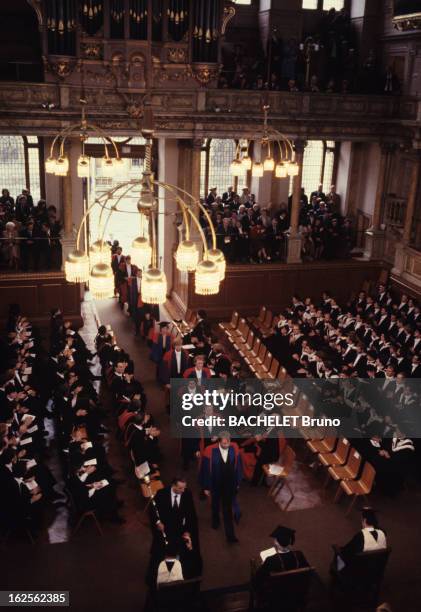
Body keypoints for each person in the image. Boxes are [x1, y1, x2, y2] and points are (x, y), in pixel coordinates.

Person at [199, 431, 243, 543]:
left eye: (228, 443)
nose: (226, 446)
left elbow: (238, 466)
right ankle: (215, 521)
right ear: (219, 442)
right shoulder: (209, 450)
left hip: (229, 485)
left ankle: (230, 536)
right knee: (215, 505)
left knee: (227, 510)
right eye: (223, 444)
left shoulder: (235, 448)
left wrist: (237, 482)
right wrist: (206, 487)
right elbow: (205, 470)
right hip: (215, 484)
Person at [151, 477, 199, 556]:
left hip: (180, 530)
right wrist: (158, 522)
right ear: (173, 486)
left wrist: (188, 531)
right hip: (166, 528)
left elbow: (191, 514)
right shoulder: (161, 493)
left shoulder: (187, 494)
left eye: (184, 487)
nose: (183, 490)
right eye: (180, 488)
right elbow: (153, 509)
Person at [334, 508, 387, 572]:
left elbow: (346, 551)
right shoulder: (383, 533)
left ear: (364, 520)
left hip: (360, 571)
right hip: (376, 570)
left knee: (339, 555)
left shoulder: (361, 536)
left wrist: (339, 549)